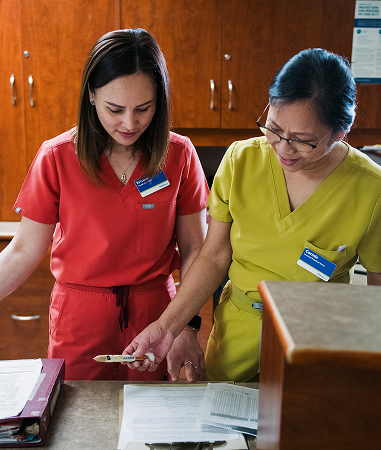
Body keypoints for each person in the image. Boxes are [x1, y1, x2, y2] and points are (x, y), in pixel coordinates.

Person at [122, 48, 381, 383]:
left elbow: (377, 292)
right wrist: (167, 327)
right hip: (237, 329)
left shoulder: (370, 190)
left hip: (313, 340)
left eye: (302, 141)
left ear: (339, 134)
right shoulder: (241, 161)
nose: (283, 148)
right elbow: (213, 257)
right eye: (273, 129)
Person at [0, 28, 209, 381]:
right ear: (92, 96)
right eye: (115, 109)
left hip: (158, 316)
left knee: (154, 429)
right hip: (79, 318)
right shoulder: (56, 157)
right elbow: (22, 250)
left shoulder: (180, 155)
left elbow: (196, 252)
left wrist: (185, 326)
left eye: (144, 108)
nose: (129, 123)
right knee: (75, 425)